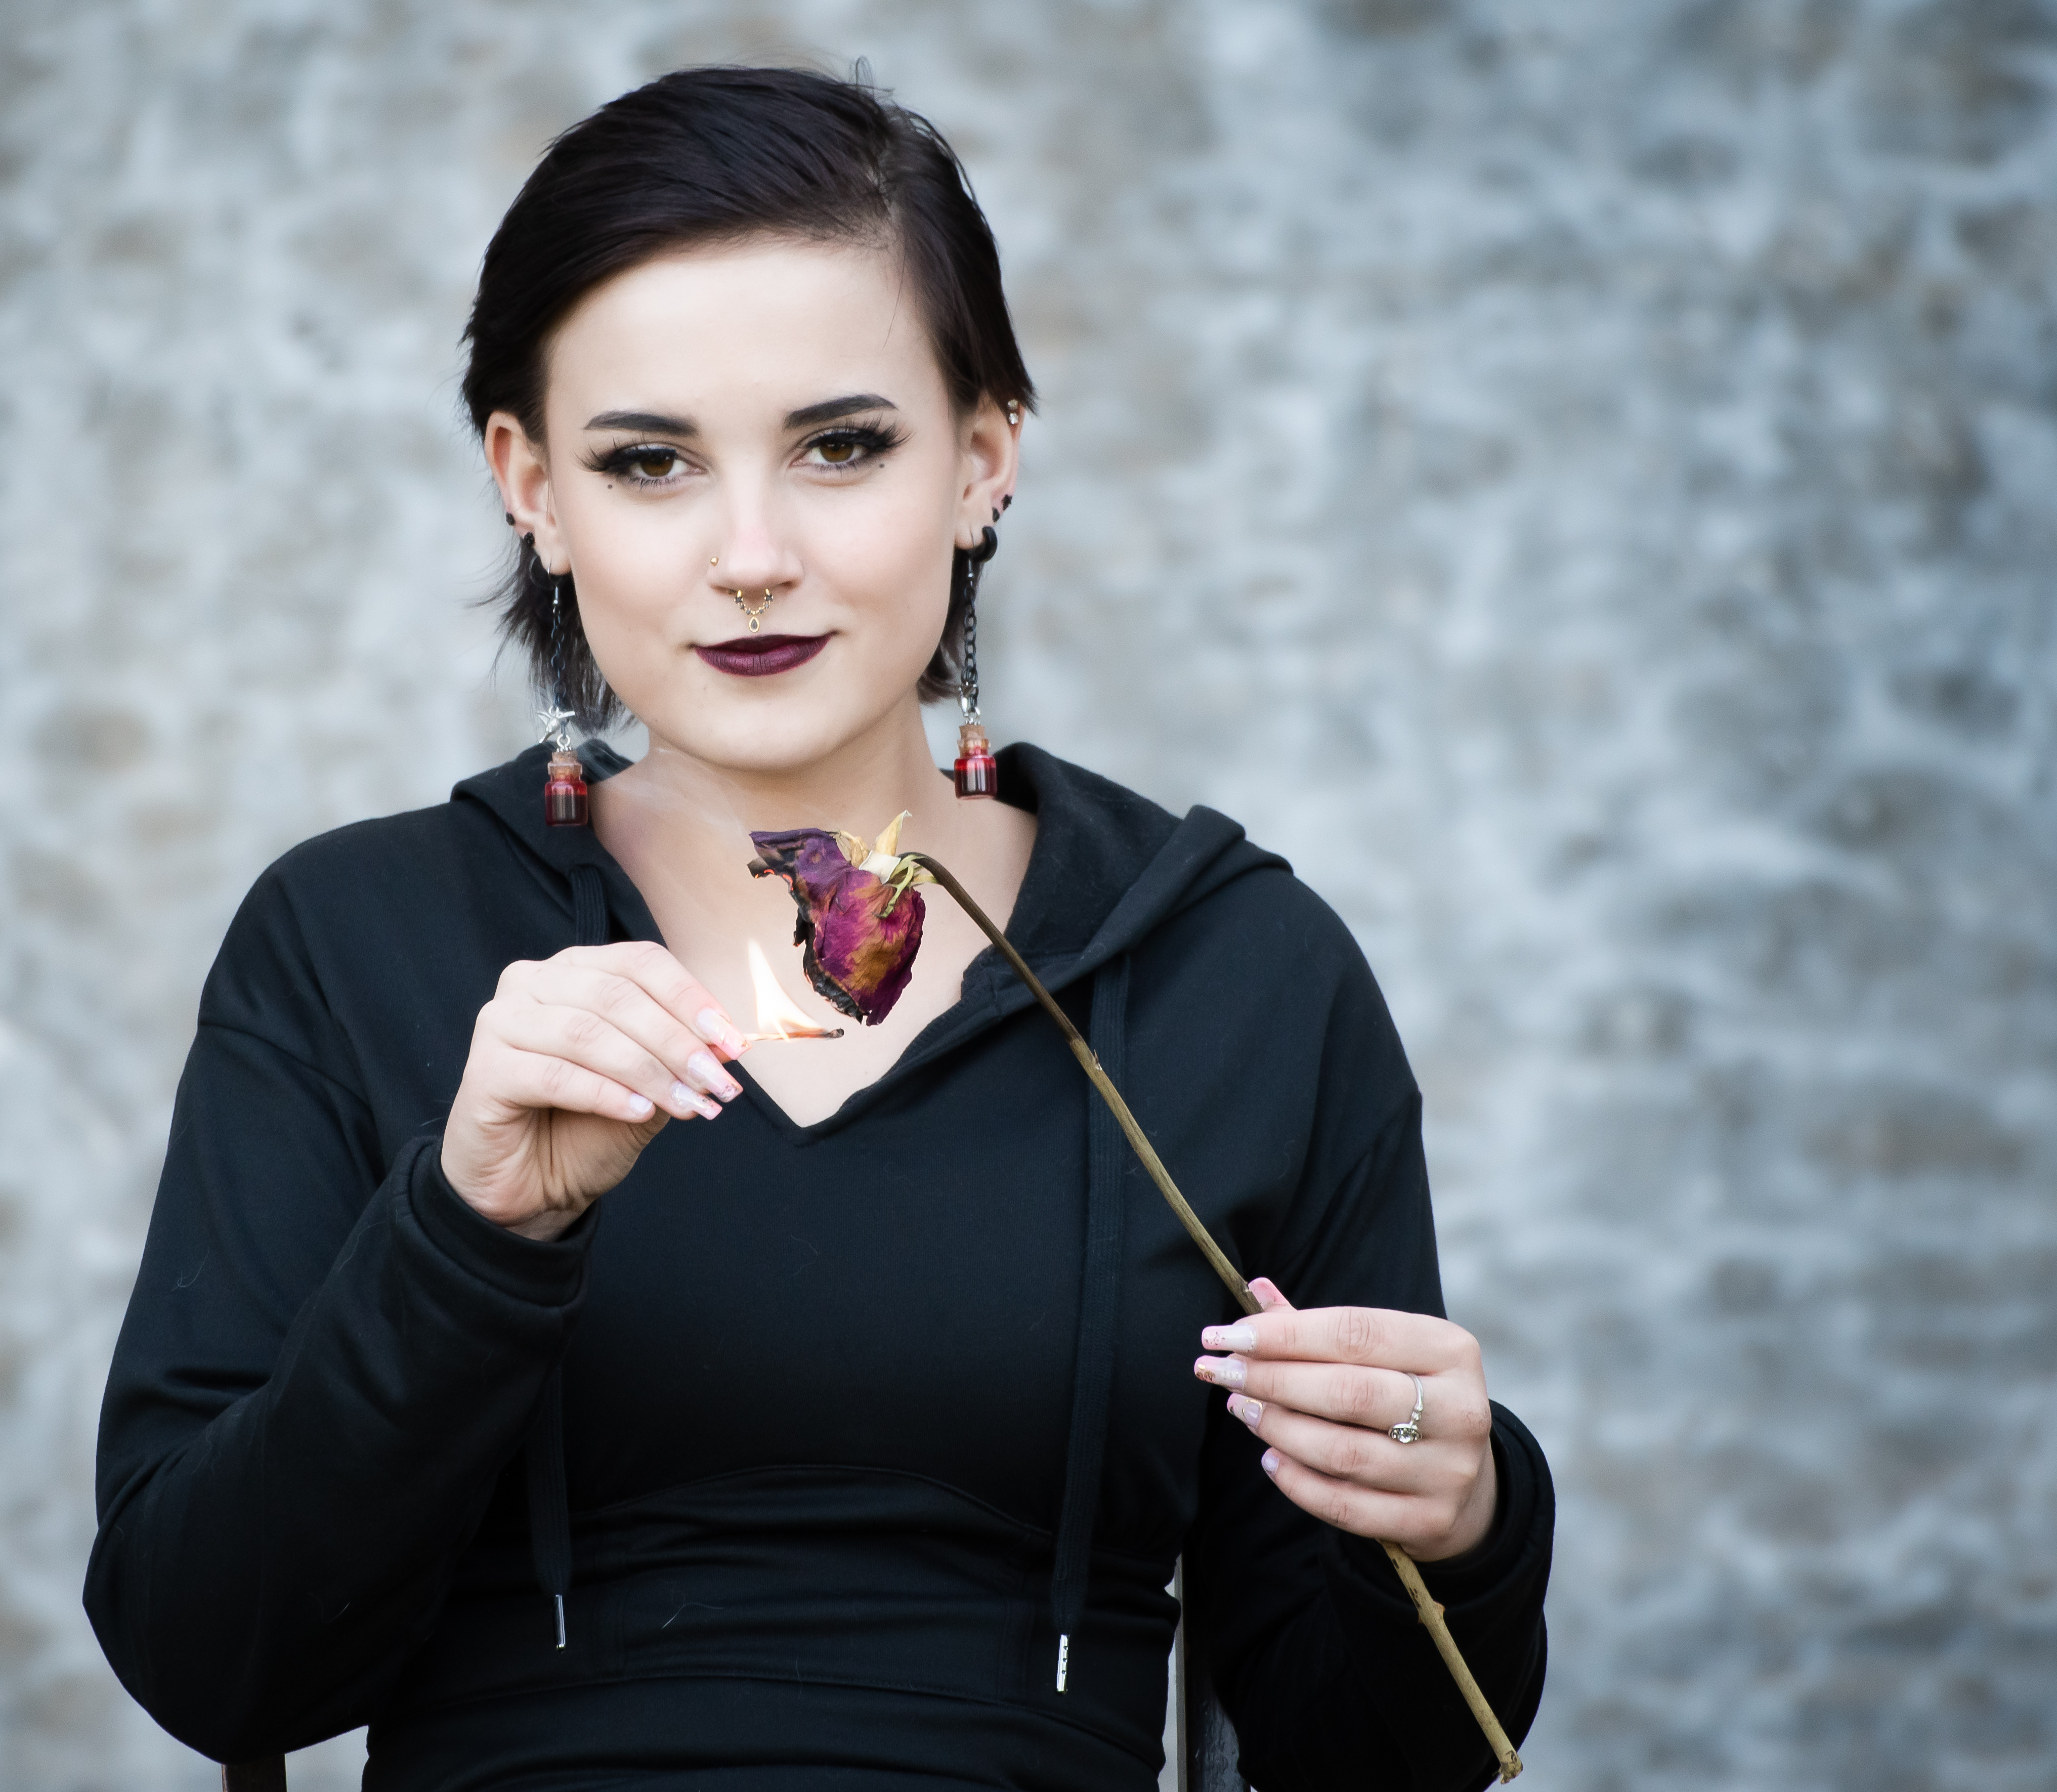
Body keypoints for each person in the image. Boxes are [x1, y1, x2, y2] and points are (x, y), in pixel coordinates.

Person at [84, 64, 1552, 1792]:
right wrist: (469, 1232)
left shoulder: (1239, 972)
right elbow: (210, 1660)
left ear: (984, 459)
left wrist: (1467, 1522)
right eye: (650, 464)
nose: (754, 554)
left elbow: (1368, 1758)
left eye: (842, 447)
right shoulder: (350, 940)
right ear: (532, 486)